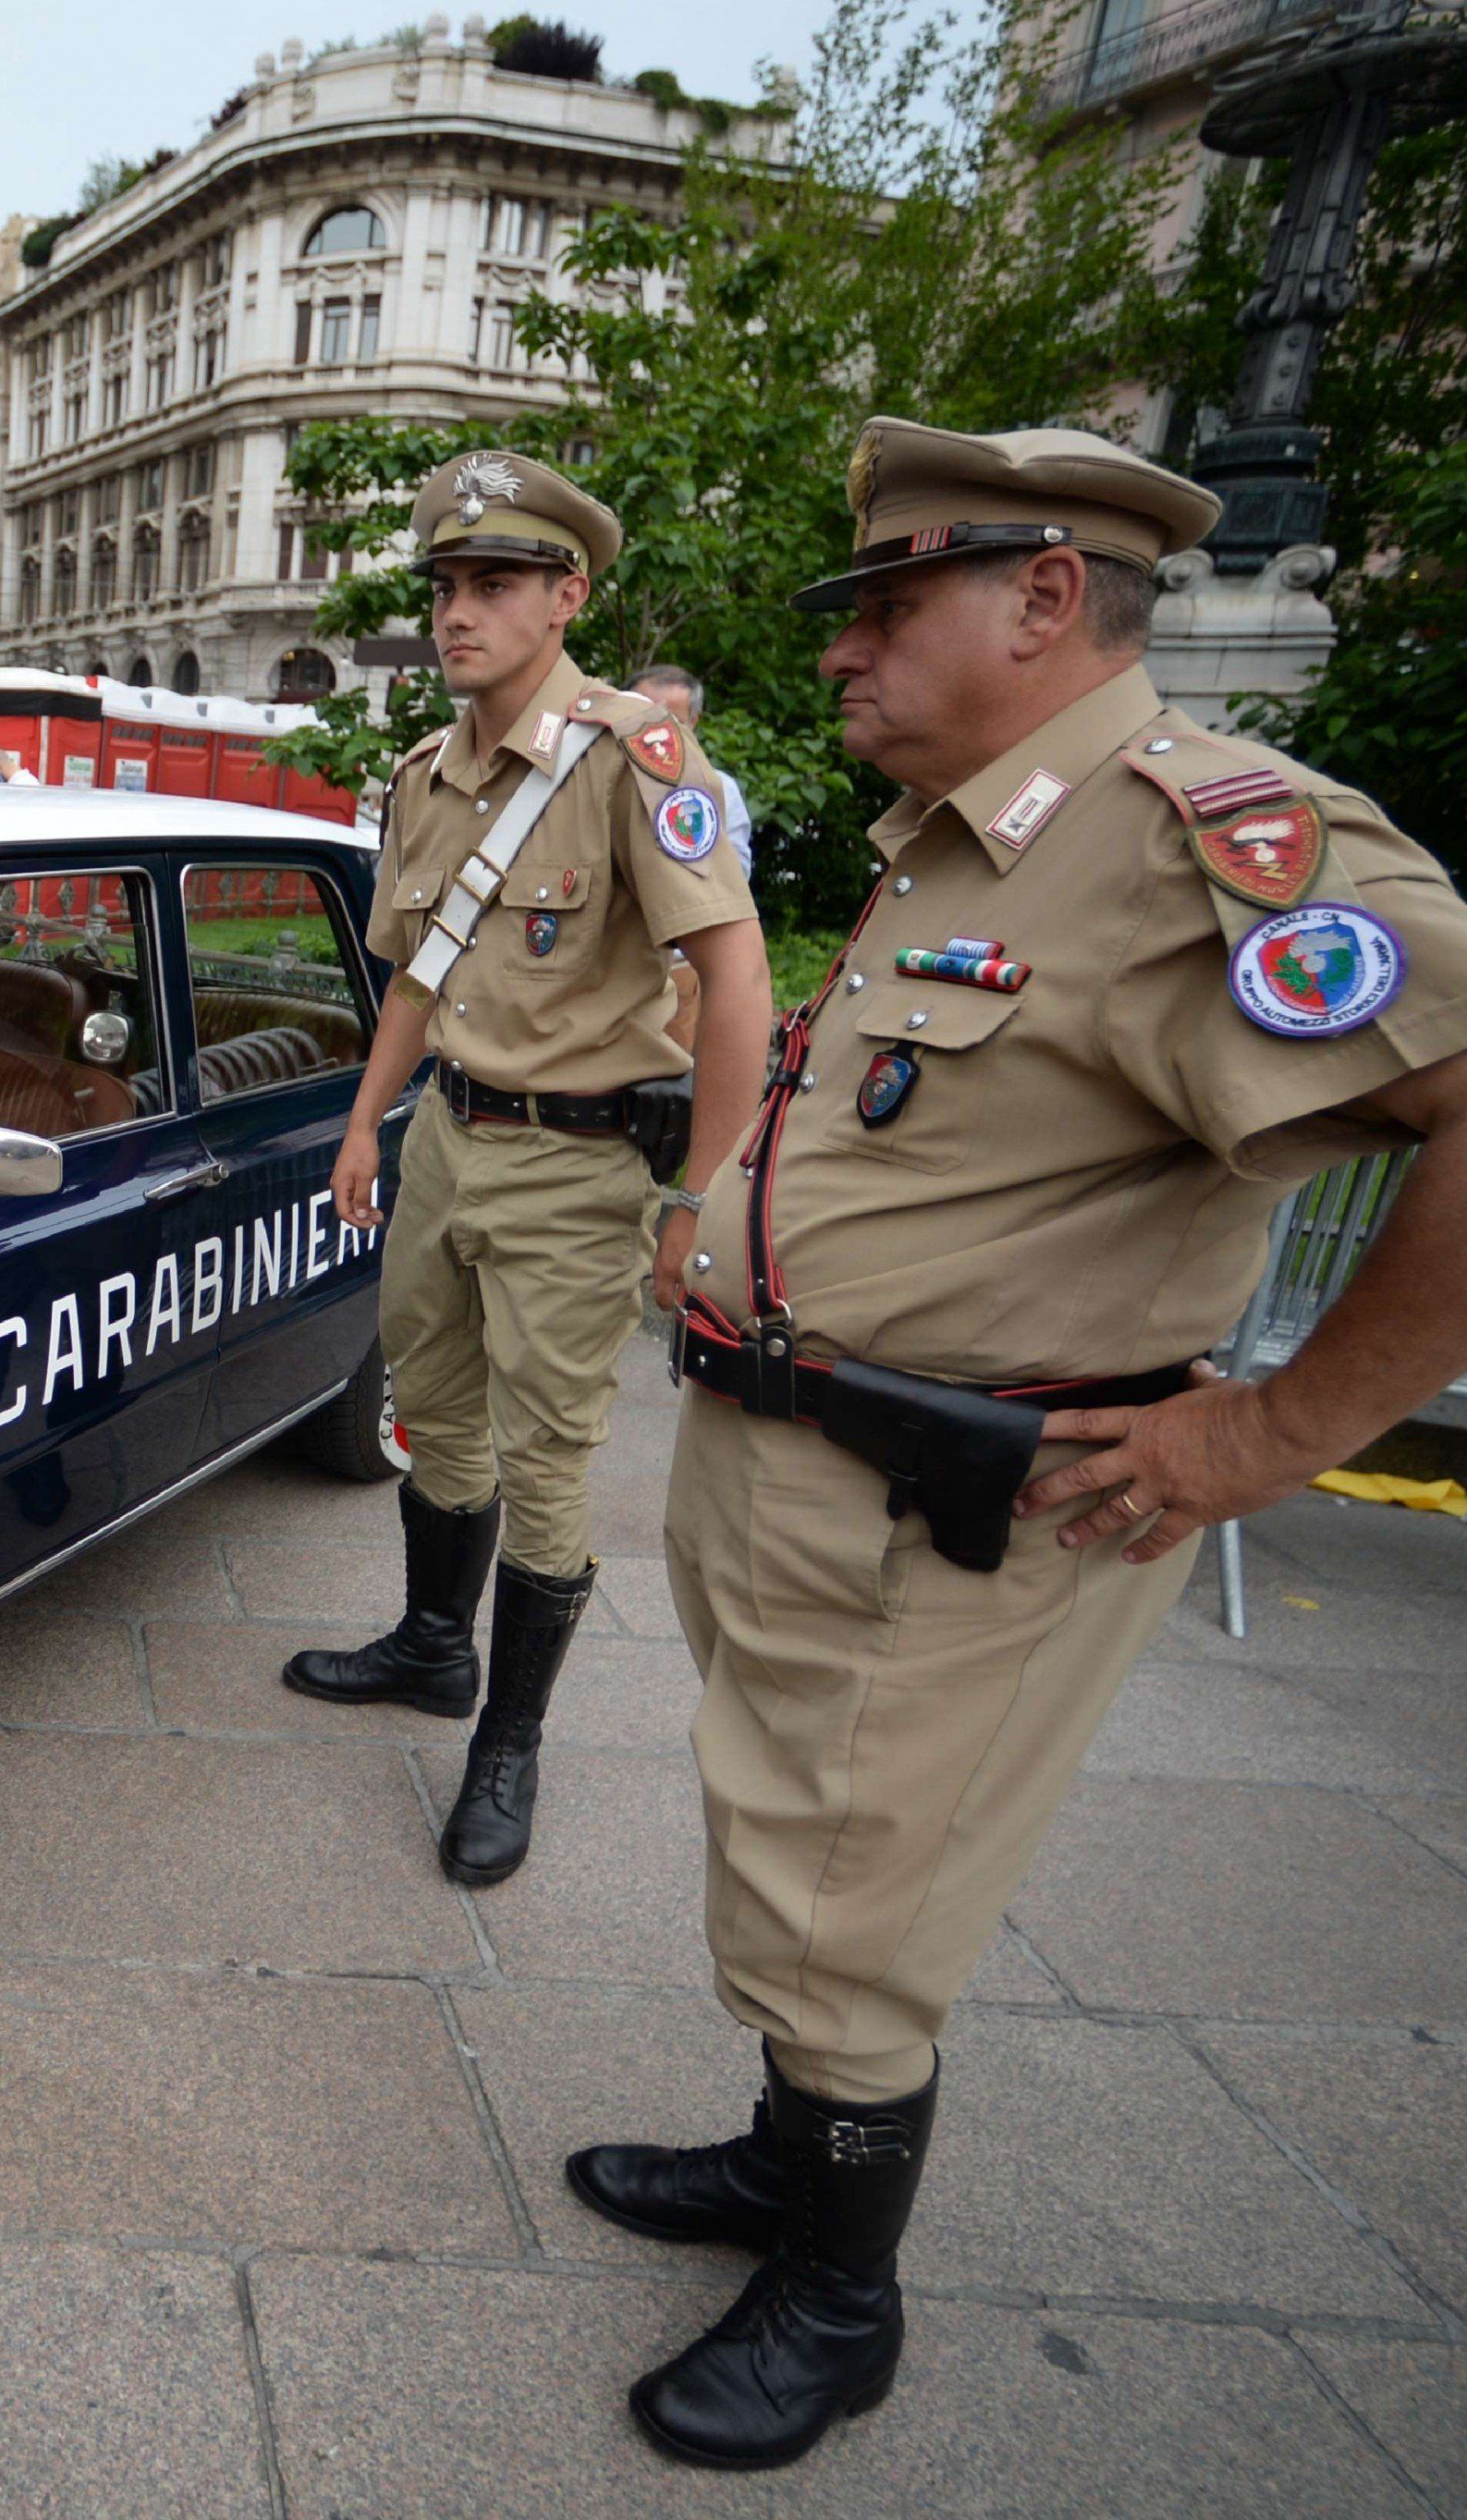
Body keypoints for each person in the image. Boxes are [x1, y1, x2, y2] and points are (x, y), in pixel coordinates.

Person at [570, 420, 1467, 2471]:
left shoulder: (1200, 840)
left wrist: (1274, 1430)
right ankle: (785, 2164)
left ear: (1044, 596)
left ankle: (838, 2292)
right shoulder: (976, 832)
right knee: (798, 1857)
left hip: (953, 1509)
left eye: (885, 607)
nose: (839, 656)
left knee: (862, 1901)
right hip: (806, 1468)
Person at [285, 450, 773, 1896]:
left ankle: (510, 1737)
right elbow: (414, 985)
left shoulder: (635, 759)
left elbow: (735, 982)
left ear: (566, 597)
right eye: (445, 584)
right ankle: (436, 1645)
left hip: (577, 1166)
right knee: (430, 1414)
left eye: (494, 583)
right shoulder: (423, 775)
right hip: (446, 1139)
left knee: (550, 1466)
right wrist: (369, 1121)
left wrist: (703, 1198)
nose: (458, 612)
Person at [631, 665, 752, 876]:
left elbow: (737, 875)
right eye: (645, 717)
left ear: (693, 722)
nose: (659, 731)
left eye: (673, 721)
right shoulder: (597, 778)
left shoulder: (721, 789)